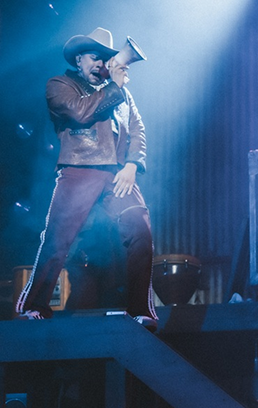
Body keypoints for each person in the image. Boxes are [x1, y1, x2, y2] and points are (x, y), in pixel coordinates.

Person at [16, 27, 157, 329]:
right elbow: (81, 112)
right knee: (57, 239)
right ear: (79, 59)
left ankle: (140, 310)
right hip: (79, 167)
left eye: (106, 60)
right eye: (95, 58)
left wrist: (133, 164)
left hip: (118, 174)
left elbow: (137, 129)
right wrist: (115, 87)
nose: (101, 65)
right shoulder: (59, 85)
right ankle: (34, 304)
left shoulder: (120, 92)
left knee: (140, 231)